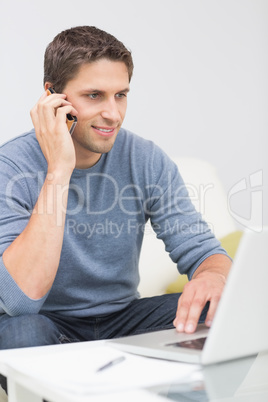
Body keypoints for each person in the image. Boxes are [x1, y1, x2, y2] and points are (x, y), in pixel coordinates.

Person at [0, 26, 232, 352]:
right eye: (94, 95)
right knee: (21, 333)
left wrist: (213, 278)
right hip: (47, 323)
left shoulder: (145, 158)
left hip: (123, 320)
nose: (113, 114)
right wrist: (59, 169)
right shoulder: (10, 166)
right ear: (53, 95)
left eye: (120, 95)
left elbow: (207, 254)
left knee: (219, 312)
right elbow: (20, 301)